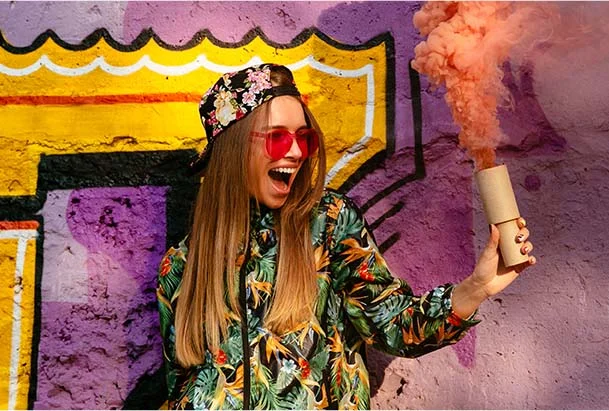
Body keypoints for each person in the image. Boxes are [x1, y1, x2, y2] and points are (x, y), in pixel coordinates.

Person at [156, 63, 536, 410]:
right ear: (234, 149)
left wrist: (475, 288)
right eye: (277, 138)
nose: (295, 152)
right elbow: (181, 386)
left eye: (304, 138)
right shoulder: (181, 266)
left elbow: (393, 325)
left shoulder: (327, 224)